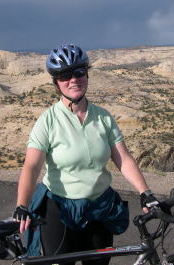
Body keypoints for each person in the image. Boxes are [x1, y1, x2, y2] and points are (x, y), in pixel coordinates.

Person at [13, 44, 158, 265]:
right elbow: (32, 166)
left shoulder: (103, 117)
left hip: (99, 209)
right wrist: (22, 204)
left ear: (87, 74)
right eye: (65, 75)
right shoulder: (49, 120)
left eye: (79, 72)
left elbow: (123, 159)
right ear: (56, 82)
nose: (74, 79)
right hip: (60, 210)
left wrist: (145, 192)